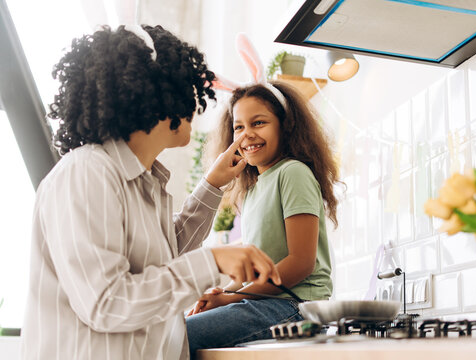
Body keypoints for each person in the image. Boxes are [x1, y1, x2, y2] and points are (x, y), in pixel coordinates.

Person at [20, 25, 281, 360]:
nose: (195, 99)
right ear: (159, 92)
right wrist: (213, 261)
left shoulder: (139, 181)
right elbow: (106, 302)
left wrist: (212, 186)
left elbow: (163, 253)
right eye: (186, 85)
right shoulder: (86, 173)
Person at [186, 80, 341, 358]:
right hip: (272, 302)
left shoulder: (292, 173)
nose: (247, 135)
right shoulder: (254, 187)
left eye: (258, 123)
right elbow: (260, 265)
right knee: (178, 330)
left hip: (296, 306)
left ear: (286, 124)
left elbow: (301, 263)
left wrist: (232, 298)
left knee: (180, 335)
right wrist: (222, 293)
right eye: (239, 127)